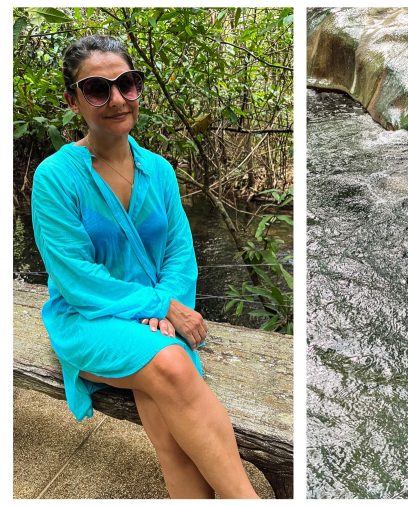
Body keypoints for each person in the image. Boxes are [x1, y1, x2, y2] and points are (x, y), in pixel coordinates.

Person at [30, 35, 258, 499]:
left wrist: (165, 308)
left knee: (174, 444)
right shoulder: (55, 178)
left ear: (137, 89)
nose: (116, 99)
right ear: (74, 100)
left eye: (126, 84)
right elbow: (76, 278)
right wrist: (160, 304)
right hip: (87, 317)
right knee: (173, 365)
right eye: (97, 89)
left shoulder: (161, 171)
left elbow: (180, 255)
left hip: (154, 320)